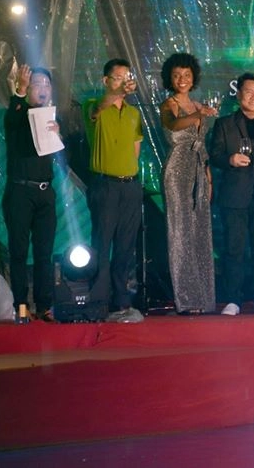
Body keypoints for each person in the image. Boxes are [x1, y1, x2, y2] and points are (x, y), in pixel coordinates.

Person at [209, 72, 254, 316]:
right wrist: (230, 159)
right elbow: (214, 155)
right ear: (239, 94)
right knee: (234, 250)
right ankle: (233, 299)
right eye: (249, 92)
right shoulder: (224, 124)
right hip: (234, 196)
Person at [83, 58, 144, 322]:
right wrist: (118, 93)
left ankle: (121, 302)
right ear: (105, 81)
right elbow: (99, 107)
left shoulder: (133, 113)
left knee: (125, 246)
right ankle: (98, 301)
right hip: (105, 185)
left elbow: (135, 148)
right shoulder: (93, 105)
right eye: (117, 77)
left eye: (126, 77)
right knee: (102, 242)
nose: (123, 82)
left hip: (129, 185)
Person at [159, 52, 218, 314]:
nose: (182, 79)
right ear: (170, 79)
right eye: (176, 75)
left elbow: (201, 143)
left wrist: (207, 174)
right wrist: (197, 116)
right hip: (177, 170)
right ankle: (186, 299)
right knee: (180, 231)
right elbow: (173, 126)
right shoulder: (168, 104)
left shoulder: (198, 105)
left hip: (198, 168)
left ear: (193, 78)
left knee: (200, 230)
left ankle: (203, 298)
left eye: (186, 75)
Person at [3, 65, 60, 321]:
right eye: (37, 84)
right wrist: (20, 92)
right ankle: (21, 305)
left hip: (45, 191)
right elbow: (11, 119)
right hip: (20, 191)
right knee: (19, 251)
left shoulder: (51, 118)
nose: (42, 89)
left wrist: (58, 134)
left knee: (44, 252)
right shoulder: (18, 113)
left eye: (46, 84)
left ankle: (44, 304)